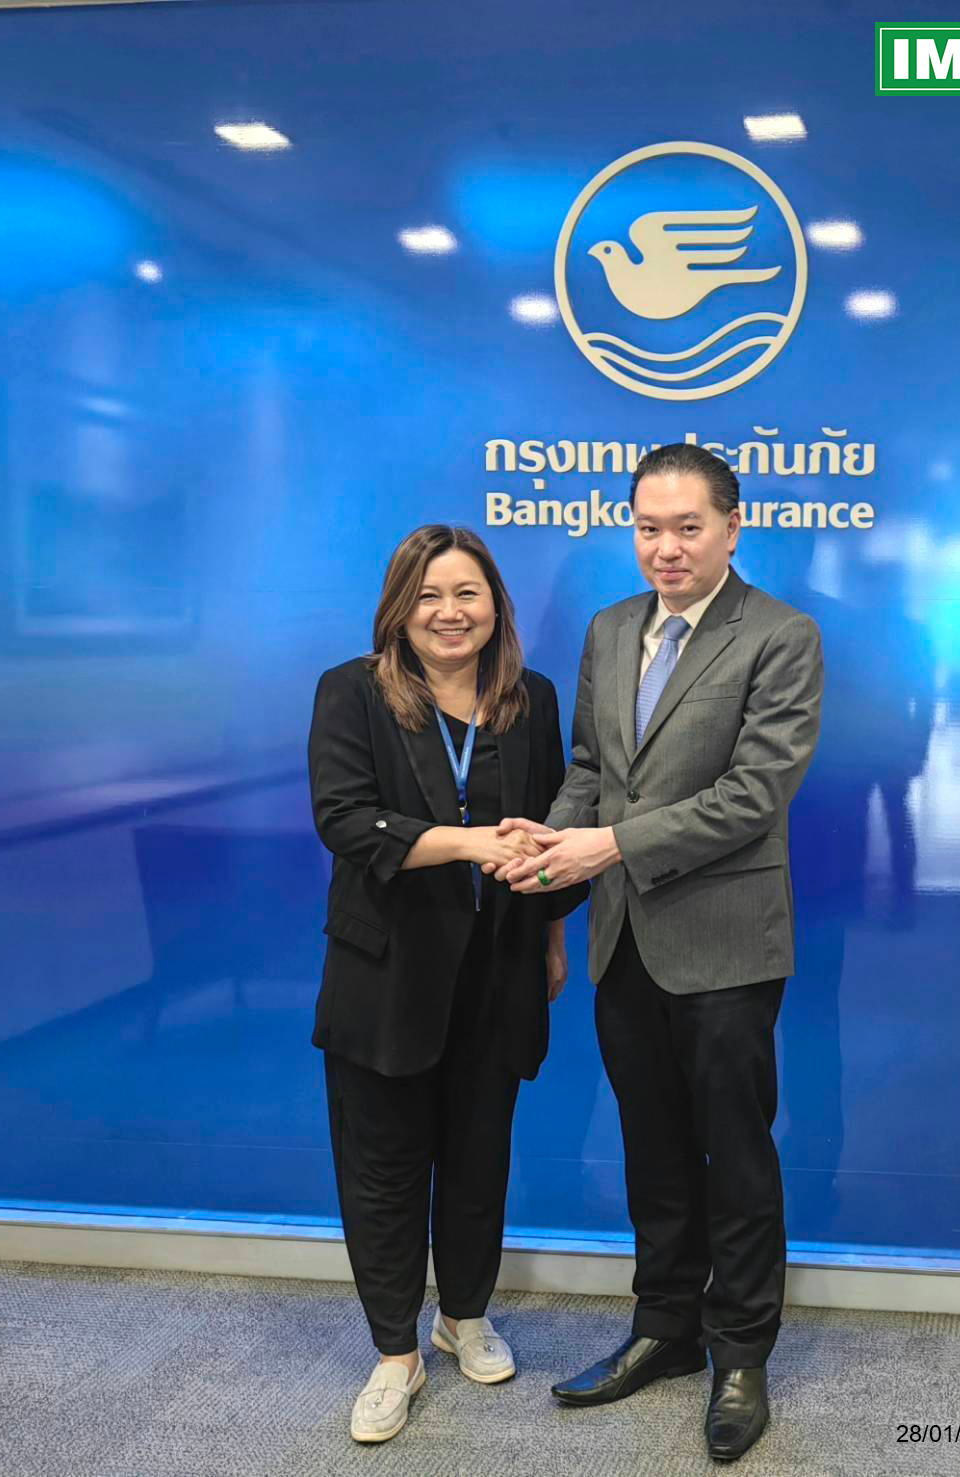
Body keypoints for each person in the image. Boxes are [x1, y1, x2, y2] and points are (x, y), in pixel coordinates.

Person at [494, 443, 823, 1463]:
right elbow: (592, 769)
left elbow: (752, 795)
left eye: (687, 526)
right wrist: (552, 841)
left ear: (732, 526)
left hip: (726, 942)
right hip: (623, 939)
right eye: (647, 526)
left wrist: (611, 846)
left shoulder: (780, 635)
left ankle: (741, 1353)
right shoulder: (610, 627)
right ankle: (667, 1327)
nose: (665, 546)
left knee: (736, 1152)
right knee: (654, 1148)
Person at [307, 524, 587, 1444]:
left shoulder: (530, 699)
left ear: (496, 605)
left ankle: (463, 1313)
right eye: (429, 595)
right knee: (383, 1169)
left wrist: (552, 937)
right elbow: (346, 820)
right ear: (399, 608)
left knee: (478, 1157)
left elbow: (551, 827)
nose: (449, 612)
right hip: (387, 973)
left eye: (468, 592)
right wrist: (469, 842)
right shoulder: (352, 691)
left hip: (499, 967)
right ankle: (396, 1353)